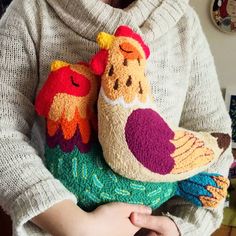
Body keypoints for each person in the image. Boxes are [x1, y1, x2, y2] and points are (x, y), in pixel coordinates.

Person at [0, 0, 233, 235]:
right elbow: (4, 131)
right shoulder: (31, 10)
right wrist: (75, 225)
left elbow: (215, 138)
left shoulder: (183, 22)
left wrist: (183, 228)